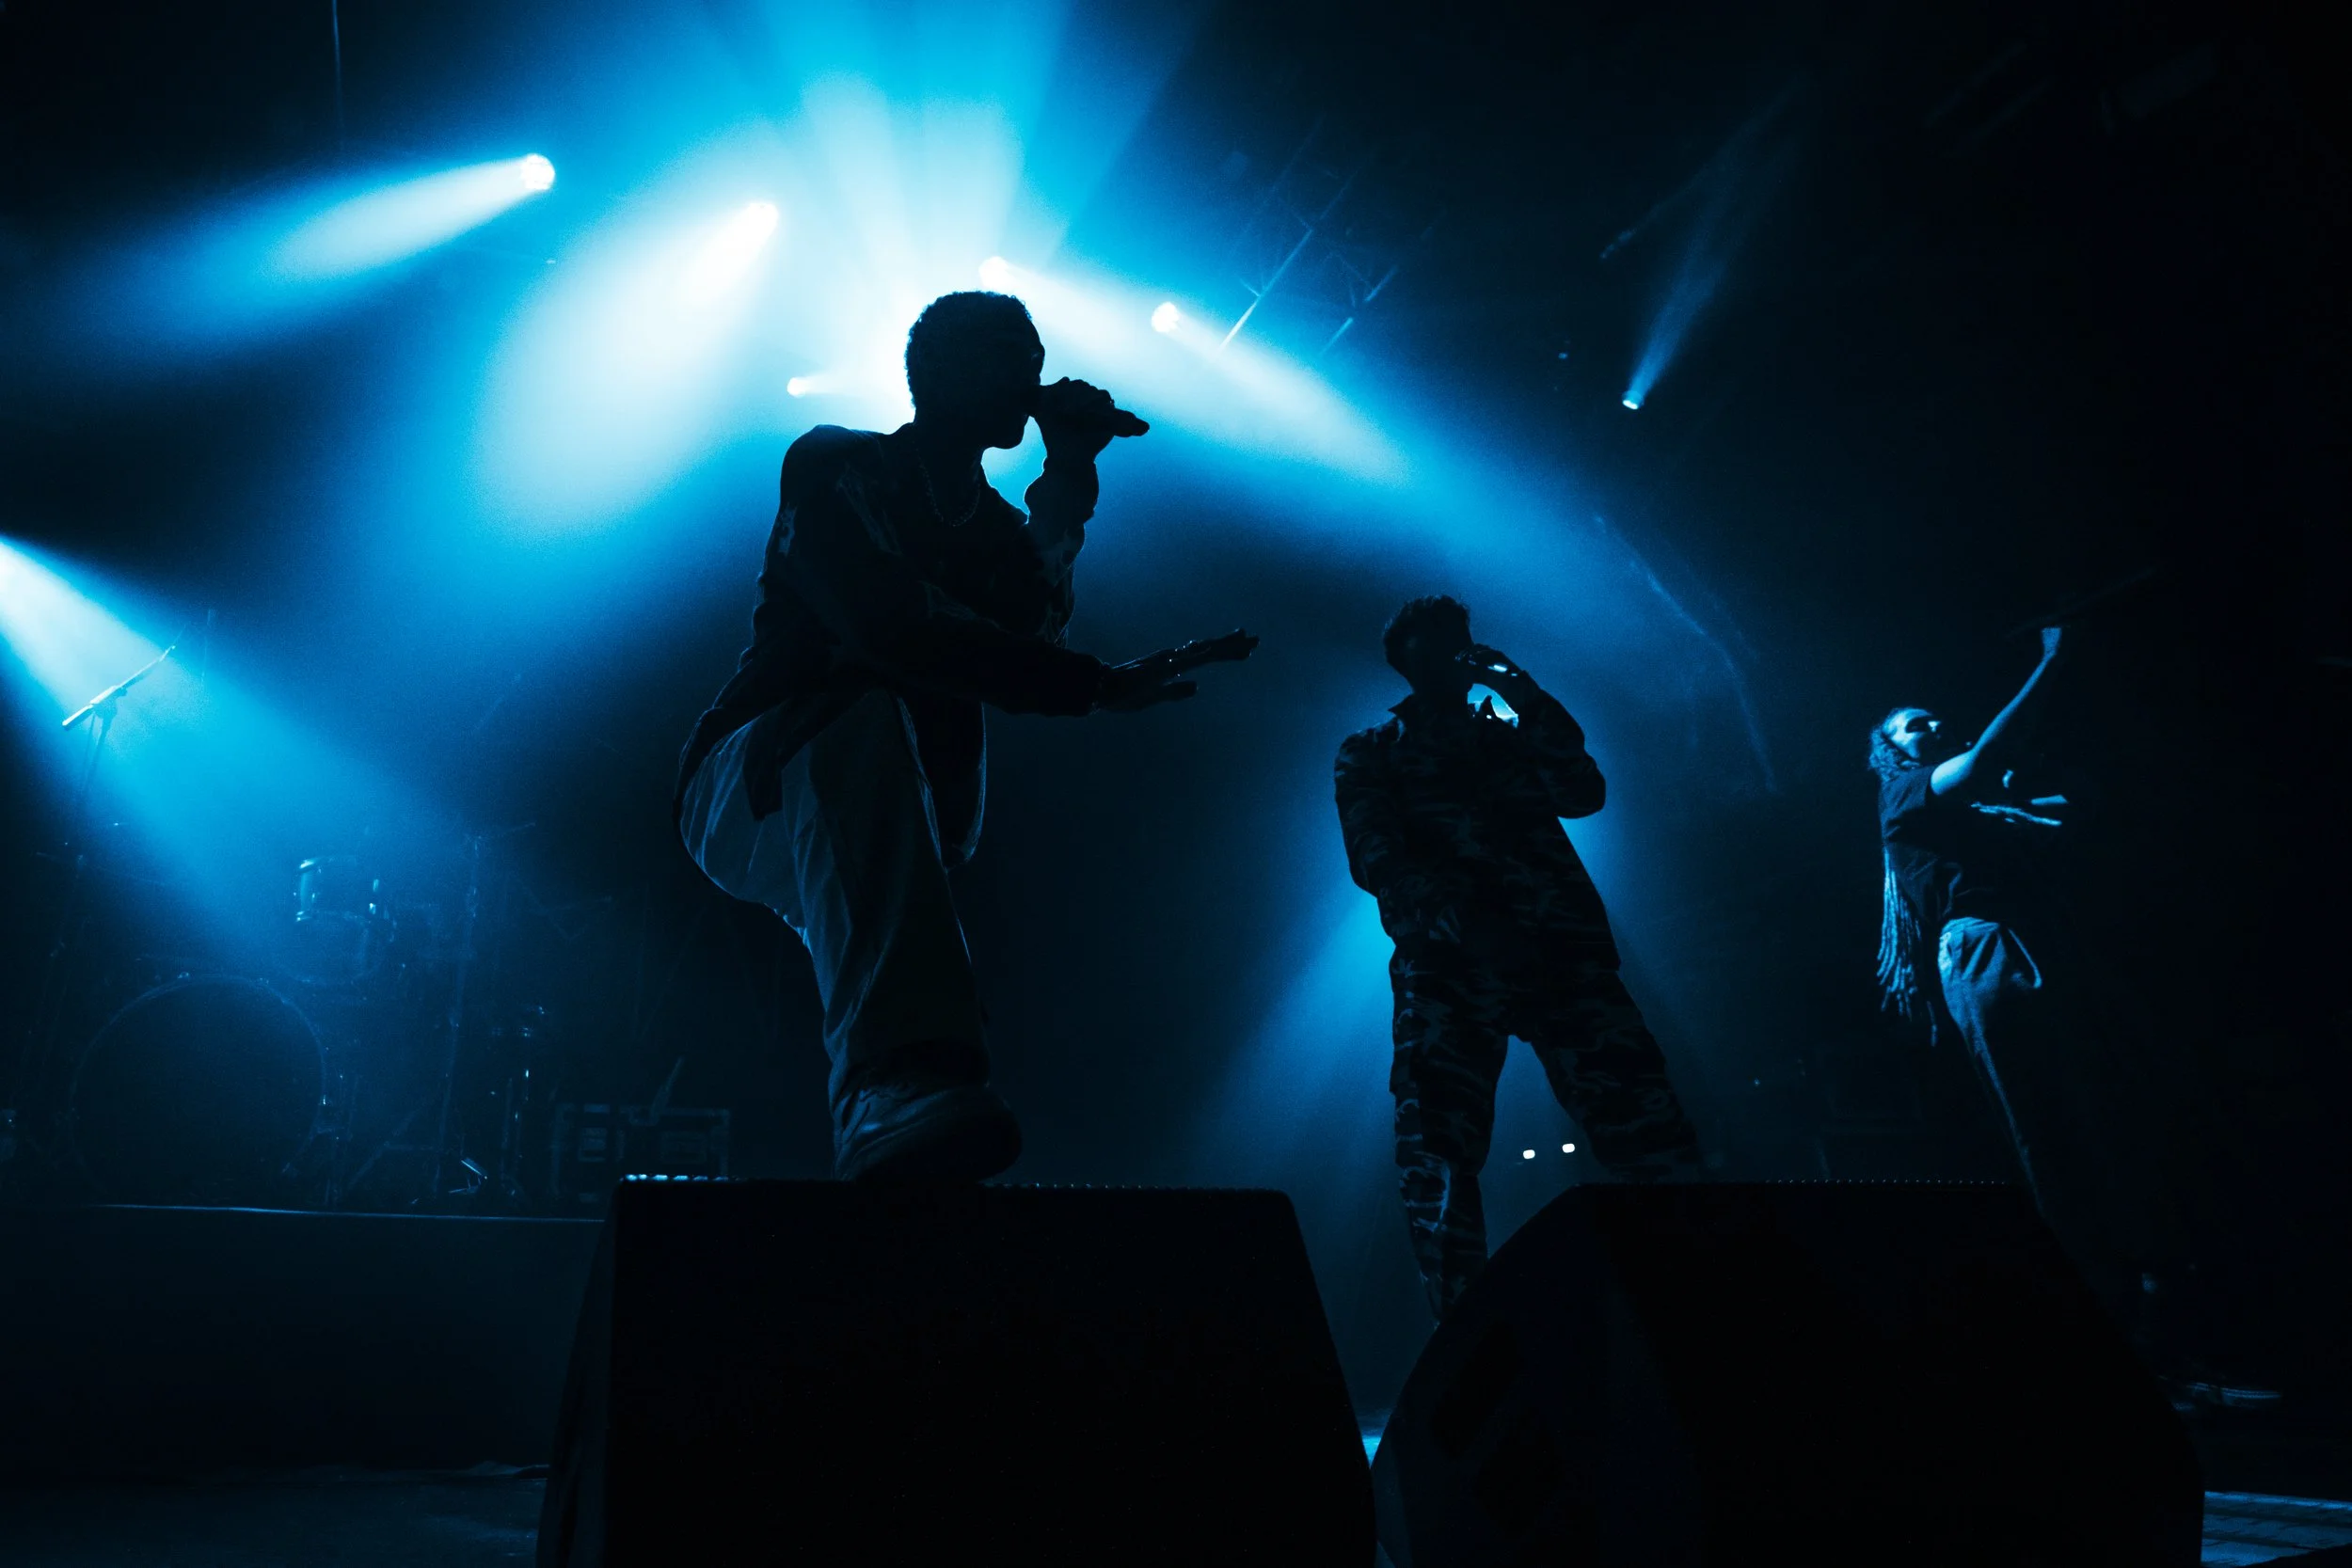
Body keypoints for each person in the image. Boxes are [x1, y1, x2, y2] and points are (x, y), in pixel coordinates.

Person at [675, 291, 1255, 1183]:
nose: (1029, 369)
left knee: (890, 830)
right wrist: (1094, 687)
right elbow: (887, 624)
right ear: (934, 371)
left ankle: (911, 1110)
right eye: (1003, 351)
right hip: (759, 774)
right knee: (865, 713)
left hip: (901, 799)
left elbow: (1030, 637)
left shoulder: (991, 530)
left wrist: (1068, 473)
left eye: (1034, 352)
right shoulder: (838, 464)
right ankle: (889, 1085)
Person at [1335, 594, 1701, 1321]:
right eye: (1440, 641)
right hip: (1449, 969)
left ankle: (1693, 1297)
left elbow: (1583, 790)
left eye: (1464, 638)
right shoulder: (1371, 751)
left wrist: (1522, 690)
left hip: (1563, 955)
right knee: (1437, 1147)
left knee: (1646, 1126)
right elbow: (1377, 859)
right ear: (1406, 656)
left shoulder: (1509, 732)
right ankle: (1467, 1328)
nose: (1460, 651)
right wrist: (1467, 927)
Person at [1871, 626, 2137, 1277]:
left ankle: (2142, 1281)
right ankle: (2105, 1292)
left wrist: (2034, 771)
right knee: (2047, 1120)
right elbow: (1985, 761)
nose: (1933, 724)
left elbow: (2079, 804)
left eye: (1935, 718)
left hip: (2027, 936)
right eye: (1913, 726)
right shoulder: (1903, 793)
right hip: (1982, 943)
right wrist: (2051, 662)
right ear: (1892, 753)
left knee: (2094, 1108)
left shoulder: (1982, 813)